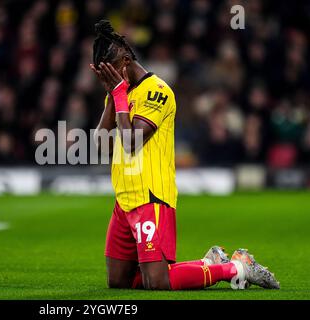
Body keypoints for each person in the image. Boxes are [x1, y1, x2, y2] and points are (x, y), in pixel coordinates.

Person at [90, 20, 279, 290]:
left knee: (157, 281)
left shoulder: (157, 92)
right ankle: (208, 263)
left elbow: (131, 143)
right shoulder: (119, 94)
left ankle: (234, 268)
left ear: (124, 60)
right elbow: (101, 145)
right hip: (124, 200)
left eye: (109, 72)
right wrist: (112, 94)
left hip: (150, 198)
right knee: (118, 281)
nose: (108, 80)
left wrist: (118, 94)